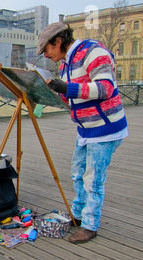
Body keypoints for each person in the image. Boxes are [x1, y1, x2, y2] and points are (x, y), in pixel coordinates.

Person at [36, 22, 128, 244]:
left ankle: (90, 225)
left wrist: (65, 88)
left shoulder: (93, 51)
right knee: (78, 172)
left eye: (47, 49)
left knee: (93, 179)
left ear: (58, 42)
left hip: (105, 129)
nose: (46, 56)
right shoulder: (67, 64)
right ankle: (78, 215)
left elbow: (105, 88)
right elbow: (70, 97)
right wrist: (41, 94)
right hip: (86, 129)